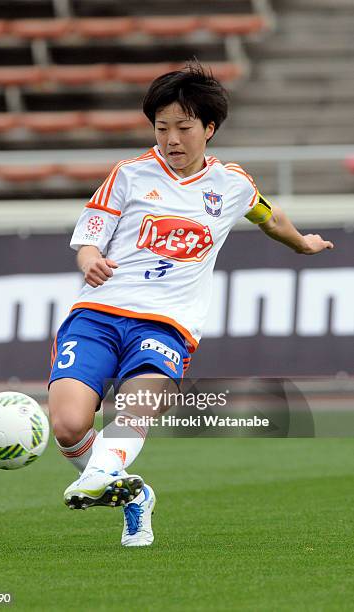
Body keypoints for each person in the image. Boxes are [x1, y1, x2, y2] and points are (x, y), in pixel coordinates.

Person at [48, 62, 334, 547]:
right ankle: (130, 491)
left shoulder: (232, 184)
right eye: (162, 128)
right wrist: (90, 257)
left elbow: (269, 215)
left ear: (209, 128)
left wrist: (300, 243)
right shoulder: (129, 175)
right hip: (98, 314)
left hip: (167, 324)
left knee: (139, 403)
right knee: (69, 424)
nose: (172, 139)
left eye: (183, 128)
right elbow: (90, 237)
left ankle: (102, 475)